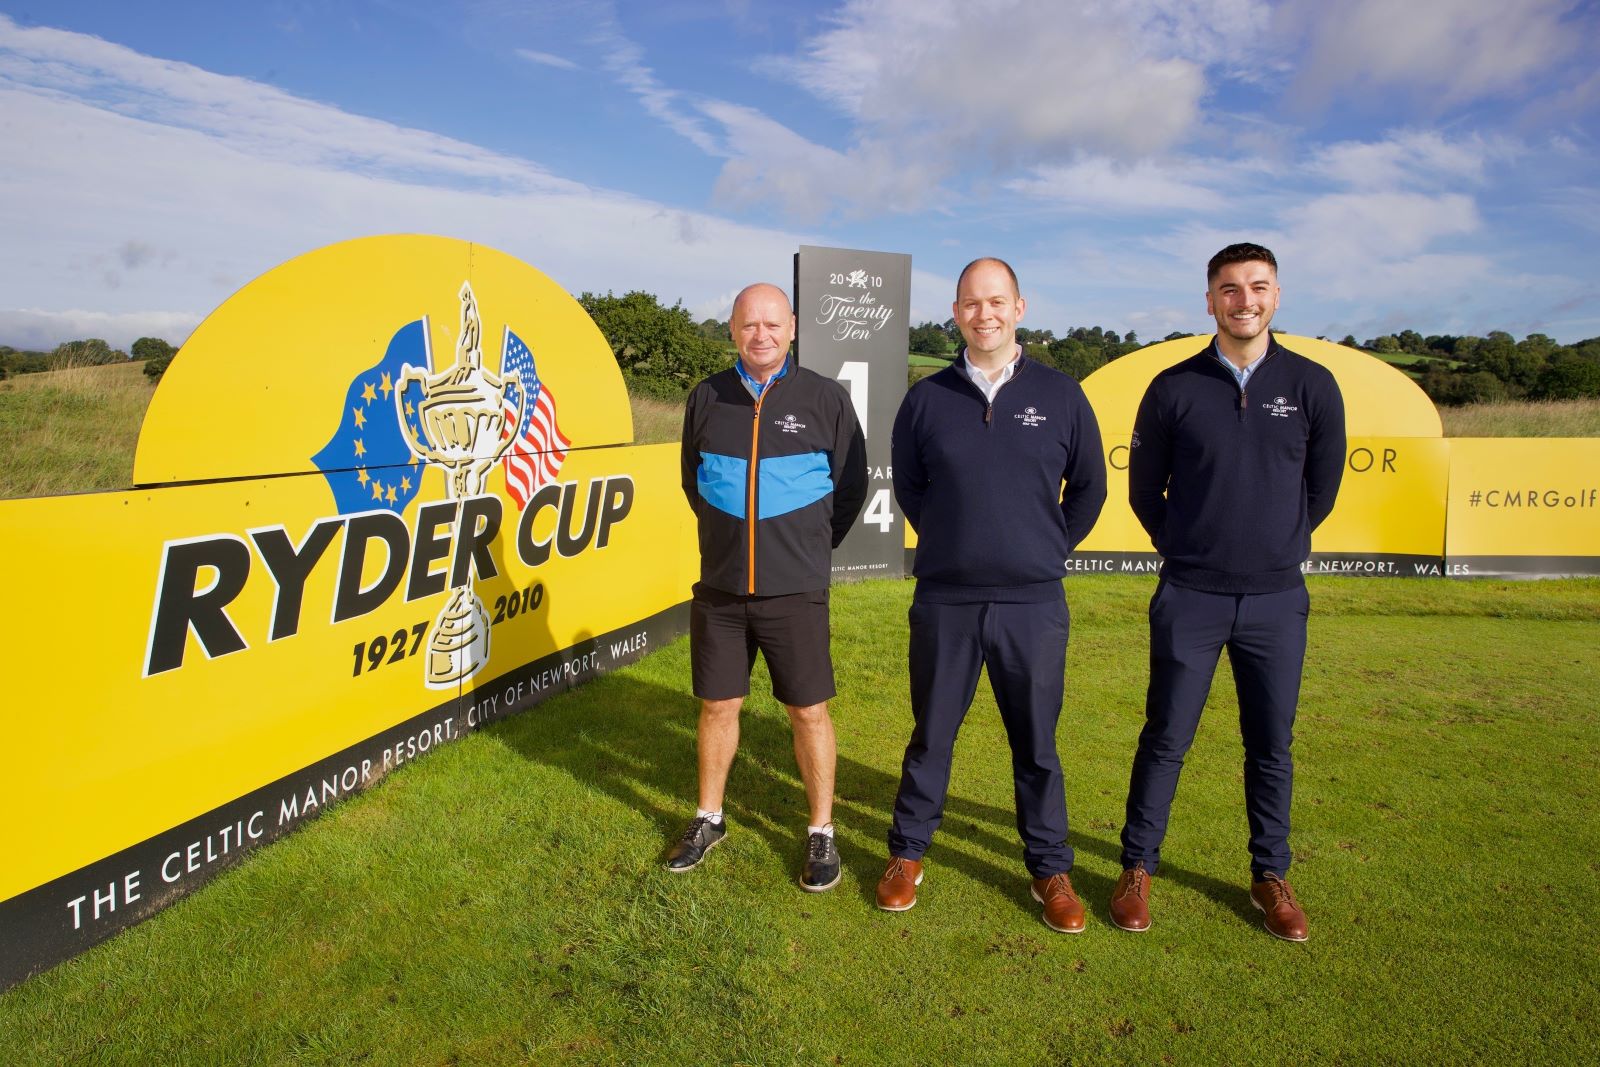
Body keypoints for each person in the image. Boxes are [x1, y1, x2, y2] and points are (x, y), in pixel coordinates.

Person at [1112, 242, 1345, 942]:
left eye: (1257, 287)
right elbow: (1144, 492)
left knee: (1271, 744)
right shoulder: (1173, 386)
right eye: (1230, 289)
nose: (1244, 300)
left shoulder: (1312, 383)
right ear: (1209, 299)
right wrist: (1189, 550)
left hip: (1276, 600)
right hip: (1190, 595)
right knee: (1166, 736)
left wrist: (1275, 547)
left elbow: (1321, 490)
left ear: (1277, 295)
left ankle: (1270, 875)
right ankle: (1136, 868)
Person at [878, 258, 1106, 932]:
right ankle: (907, 853)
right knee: (932, 736)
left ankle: (1050, 867)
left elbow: (1089, 487)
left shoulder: (1062, 395)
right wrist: (955, 541)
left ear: (1020, 307)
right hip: (946, 599)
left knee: (1036, 743)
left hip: (1033, 603)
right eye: (973, 304)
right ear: (956, 313)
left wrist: (1042, 547)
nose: (986, 314)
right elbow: (911, 485)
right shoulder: (926, 398)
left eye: (997, 301)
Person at [667, 282, 867, 892]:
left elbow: (850, 489)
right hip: (722, 591)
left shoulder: (826, 398)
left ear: (794, 327)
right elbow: (692, 482)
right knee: (718, 705)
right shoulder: (707, 396)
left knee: (807, 710)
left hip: (795, 590)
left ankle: (821, 830)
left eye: (773, 324)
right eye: (750, 324)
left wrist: (802, 551)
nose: (762, 335)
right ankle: (709, 818)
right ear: (732, 329)